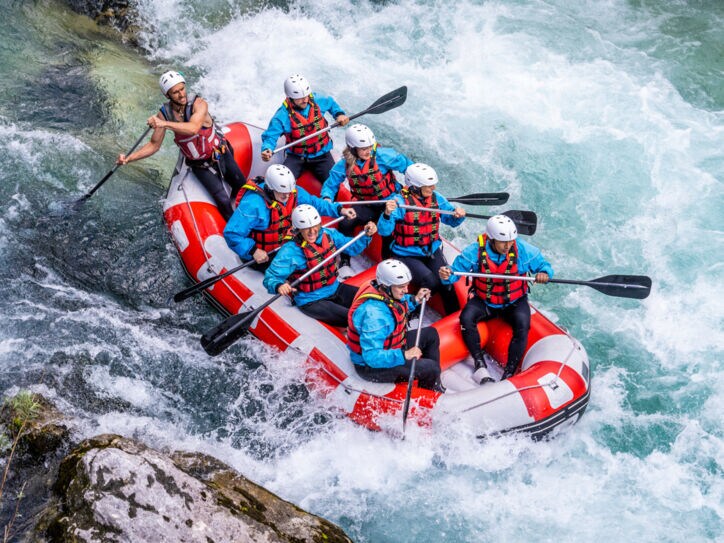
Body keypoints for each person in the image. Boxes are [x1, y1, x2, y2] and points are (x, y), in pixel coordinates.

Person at [117, 70, 245, 221]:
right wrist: (129, 158)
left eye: (182, 89)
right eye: (175, 92)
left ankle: (248, 216)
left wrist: (163, 124)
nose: (181, 94)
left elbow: (193, 128)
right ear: (167, 95)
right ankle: (235, 232)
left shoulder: (199, 104)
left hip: (220, 153)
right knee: (222, 200)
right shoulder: (164, 114)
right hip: (199, 165)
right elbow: (153, 145)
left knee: (241, 187)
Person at [439, 215, 553, 383]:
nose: (507, 246)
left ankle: (509, 372)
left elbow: (544, 266)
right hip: (485, 301)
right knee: (466, 318)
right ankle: (479, 363)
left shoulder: (523, 249)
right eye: (503, 242)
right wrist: (445, 274)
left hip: (514, 302)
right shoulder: (474, 251)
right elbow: (454, 274)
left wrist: (544, 274)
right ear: (491, 239)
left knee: (523, 325)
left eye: (510, 241)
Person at [224, 164, 355, 271]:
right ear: (270, 188)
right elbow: (232, 233)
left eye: (288, 193)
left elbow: (315, 203)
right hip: (261, 254)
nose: (287, 197)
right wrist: (253, 251)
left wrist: (339, 210)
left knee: (314, 259)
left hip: (283, 245)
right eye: (282, 194)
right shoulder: (253, 205)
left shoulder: (292, 192)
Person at [263, 204, 376, 327]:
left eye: (315, 226)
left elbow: (353, 248)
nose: (312, 232)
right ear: (298, 229)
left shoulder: (329, 234)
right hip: (312, 300)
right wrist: (279, 285)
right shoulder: (290, 251)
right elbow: (271, 277)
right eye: (306, 228)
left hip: (335, 288)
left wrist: (367, 235)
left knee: (372, 300)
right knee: (357, 318)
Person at [377, 163, 466, 315]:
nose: (433, 189)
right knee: (431, 281)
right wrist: (386, 213)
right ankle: (411, 311)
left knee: (447, 281)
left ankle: (457, 316)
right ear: (416, 186)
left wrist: (458, 215)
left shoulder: (436, 198)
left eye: (433, 185)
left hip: (431, 249)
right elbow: (384, 231)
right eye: (429, 186)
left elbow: (450, 220)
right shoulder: (399, 203)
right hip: (406, 253)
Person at [347, 259, 444, 392]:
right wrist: (404, 355)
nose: (406, 290)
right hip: (372, 368)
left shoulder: (383, 290)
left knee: (431, 334)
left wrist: (416, 299)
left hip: (391, 347)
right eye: (401, 287)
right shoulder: (375, 316)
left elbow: (398, 305)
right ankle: (427, 395)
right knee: (432, 368)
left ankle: (433, 385)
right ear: (386, 285)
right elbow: (371, 358)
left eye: (406, 285)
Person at [321, 123, 412, 256]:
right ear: (353, 149)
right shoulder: (344, 165)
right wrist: (327, 198)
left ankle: (387, 263)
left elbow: (408, 167)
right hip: (366, 204)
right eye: (363, 149)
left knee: (390, 231)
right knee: (346, 223)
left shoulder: (383, 156)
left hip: (390, 201)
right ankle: (346, 259)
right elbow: (330, 185)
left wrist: (413, 187)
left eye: (370, 147)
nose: (368, 151)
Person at [260, 74, 349, 182]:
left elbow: (331, 103)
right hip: (297, 157)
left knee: (334, 183)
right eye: (300, 98)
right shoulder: (281, 115)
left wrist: (339, 114)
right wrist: (267, 149)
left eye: (306, 96)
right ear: (290, 98)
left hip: (322, 154)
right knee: (282, 182)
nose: (305, 100)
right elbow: (270, 136)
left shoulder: (317, 100)